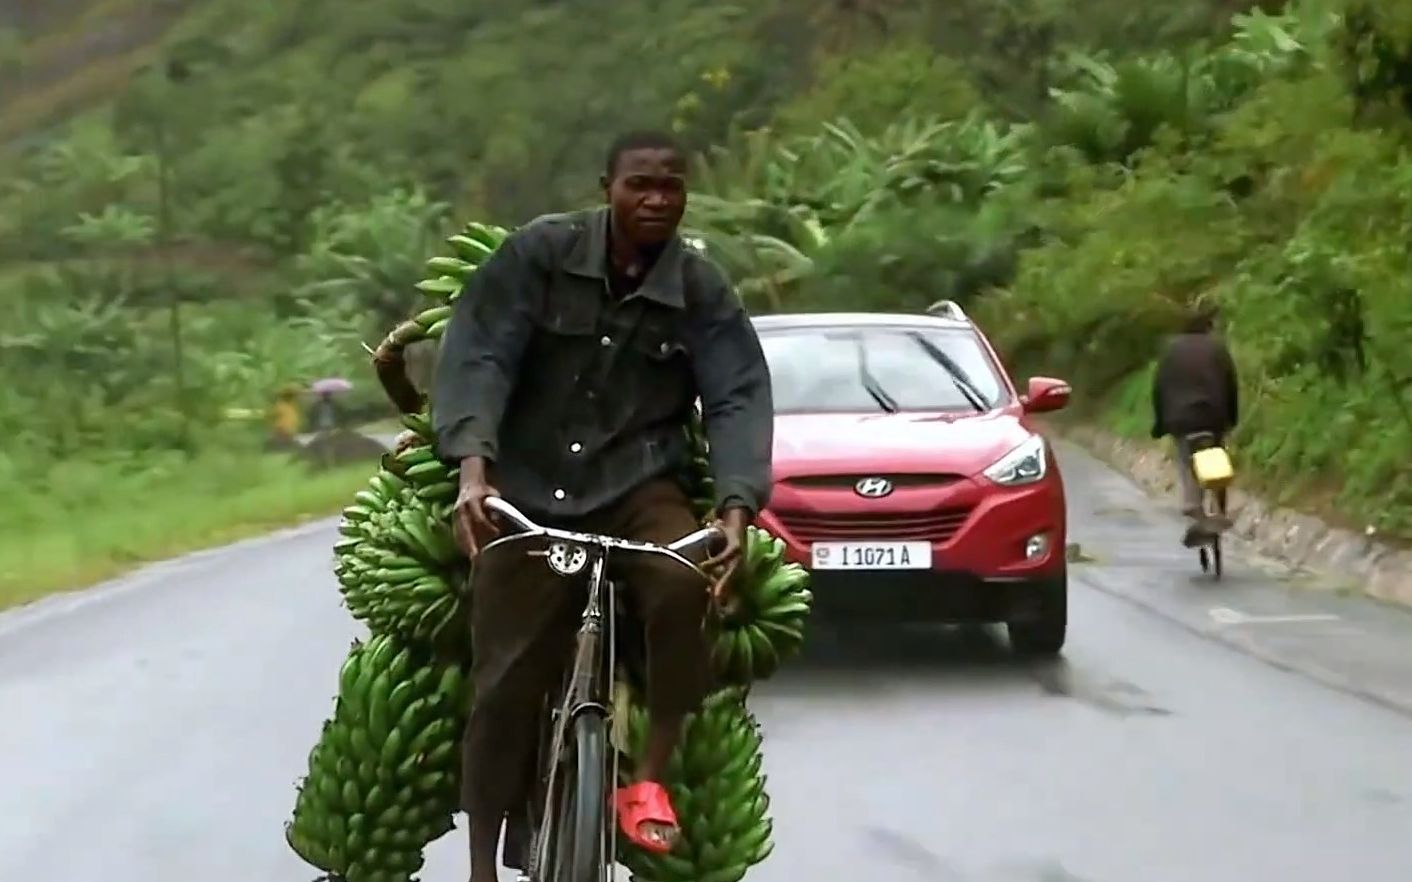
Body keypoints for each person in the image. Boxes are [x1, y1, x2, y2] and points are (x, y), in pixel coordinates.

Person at [431, 130, 774, 882]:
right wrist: (474, 472)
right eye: (639, 185)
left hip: (639, 488)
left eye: (671, 187)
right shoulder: (540, 257)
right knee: (504, 678)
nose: (656, 200)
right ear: (606, 187)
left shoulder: (700, 290)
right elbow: (480, 355)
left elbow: (738, 394)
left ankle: (647, 775)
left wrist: (737, 508)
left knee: (685, 585)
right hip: (528, 487)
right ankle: (482, 866)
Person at [1150, 304, 1239, 521]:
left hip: (1180, 420)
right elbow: (1231, 385)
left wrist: (1160, 424)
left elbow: (1159, 388)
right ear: (1208, 328)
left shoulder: (1171, 350)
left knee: (1184, 456)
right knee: (1217, 453)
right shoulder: (1218, 348)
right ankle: (1219, 506)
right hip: (1213, 416)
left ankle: (1192, 500)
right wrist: (1231, 419)